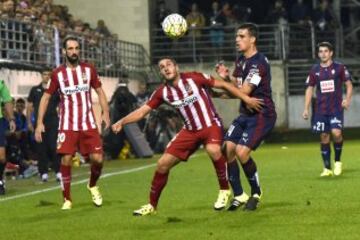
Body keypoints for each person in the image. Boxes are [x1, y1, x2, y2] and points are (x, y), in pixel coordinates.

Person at [112, 56, 263, 216]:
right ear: (161, 72)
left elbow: (224, 85)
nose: (166, 68)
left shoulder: (194, 78)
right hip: (190, 131)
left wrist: (246, 98)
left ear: (176, 67)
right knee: (162, 164)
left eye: (169, 64)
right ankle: (152, 205)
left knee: (213, 150)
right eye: (162, 67)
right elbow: (143, 111)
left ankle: (224, 190)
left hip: (210, 124)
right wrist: (122, 121)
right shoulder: (163, 92)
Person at [35, 36, 110, 210]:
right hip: (67, 125)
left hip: (88, 123)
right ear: (64, 51)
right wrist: (39, 122)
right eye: (70, 49)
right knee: (66, 159)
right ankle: (67, 199)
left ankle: (92, 185)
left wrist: (105, 113)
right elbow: (45, 98)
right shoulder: (57, 74)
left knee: (98, 159)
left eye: (76, 48)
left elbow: (99, 91)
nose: (74, 51)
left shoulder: (89, 69)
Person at [216, 23, 277, 211]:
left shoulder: (259, 63)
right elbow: (238, 83)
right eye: (236, 36)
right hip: (245, 114)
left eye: (241, 36)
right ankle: (239, 195)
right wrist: (227, 78)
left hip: (262, 114)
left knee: (242, 152)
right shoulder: (241, 60)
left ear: (252, 39)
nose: (237, 39)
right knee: (227, 148)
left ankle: (256, 192)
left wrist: (220, 87)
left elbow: (244, 90)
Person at [302, 42, 352, 177]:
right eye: (320, 51)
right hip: (320, 109)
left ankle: (337, 161)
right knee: (324, 136)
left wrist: (347, 99)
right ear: (318, 54)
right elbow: (309, 89)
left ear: (331, 53)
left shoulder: (339, 67)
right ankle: (327, 168)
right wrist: (306, 108)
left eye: (325, 51)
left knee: (336, 133)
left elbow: (348, 85)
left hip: (336, 108)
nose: (323, 54)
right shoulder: (314, 70)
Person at [27, 69, 61, 182]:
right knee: (41, 148)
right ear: (41, 76)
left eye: (48, 75)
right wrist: (29, 122)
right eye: (44, 74)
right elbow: (30, 107)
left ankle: (58, 171)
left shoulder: (55, 90)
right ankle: (43, 173)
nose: (46, 76)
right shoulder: (35, 90)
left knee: (53, 146)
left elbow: (61, 104)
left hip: (52, 121)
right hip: (39, 123)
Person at [0, 81, 16, 195]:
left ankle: (0, 180)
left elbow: (7, 101)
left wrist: (11, 119)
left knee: (1, 157)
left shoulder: (1, 84)